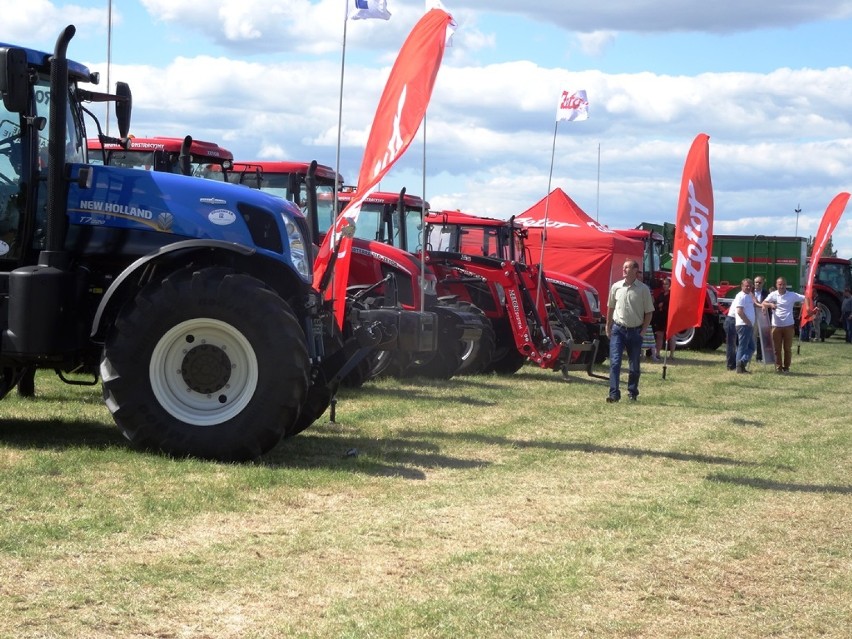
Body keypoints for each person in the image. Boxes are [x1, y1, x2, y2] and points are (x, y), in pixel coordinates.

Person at [605, 259, 655, 402]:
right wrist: (608, 325)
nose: (624, 270)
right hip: (618, 330)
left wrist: (643, 331)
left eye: (627, 267)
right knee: (615, 362)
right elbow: (610, 307)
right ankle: (614, 394)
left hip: (635, 332)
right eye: (623, 267)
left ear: (635, 271)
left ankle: (632, 392)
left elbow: (649, 312)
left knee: (634, 365)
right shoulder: (616, 287)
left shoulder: (643, 289)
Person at [761, 277, 807, 373]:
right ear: (776, 285)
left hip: (788, 326)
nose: (781, 286)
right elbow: (764, 303)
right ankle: (779, 367)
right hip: (776, 326)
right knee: (777, 349)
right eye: (779, 284)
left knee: (787, 348)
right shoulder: (773, 295)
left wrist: (808, 309)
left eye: (783, 284)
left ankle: (786, 367)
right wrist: (771, 305)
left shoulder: (792, 295)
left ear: (786, 285)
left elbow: (806, 297)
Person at [732, 278, 757, 374]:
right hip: (743, 325)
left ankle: (742, 363)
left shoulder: (748, 295)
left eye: (750, 286)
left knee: (751, 347)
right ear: (742, 286)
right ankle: (739, 367)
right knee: (743, 347)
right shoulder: (741, 296)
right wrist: (747, 322)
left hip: (747, 325)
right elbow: (739, 311)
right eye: (746, 286)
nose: (749, 287)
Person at [653, 277, 676, 361]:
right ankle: (657, 353)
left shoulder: (672, 295)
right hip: (660, 318)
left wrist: (663, 306)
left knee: (671, 335)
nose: (664, 286)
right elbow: (656, 304)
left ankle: (672, 354)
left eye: (666, 284)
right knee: (659, 335)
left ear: (670, 285)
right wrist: (659, 306)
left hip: (669, 317)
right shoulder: (661, 295)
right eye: (663, 284)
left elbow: (673, 306)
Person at [752, 276, 769, 361]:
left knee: (760, 336)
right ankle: (750, 353)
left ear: (763, 283)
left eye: (760, 282)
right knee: (752, 336)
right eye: (756, 282)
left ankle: (759, 357)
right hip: (751, 316)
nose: (757, 284)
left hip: (762, 316)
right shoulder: (750, 292)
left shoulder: (766, 293)